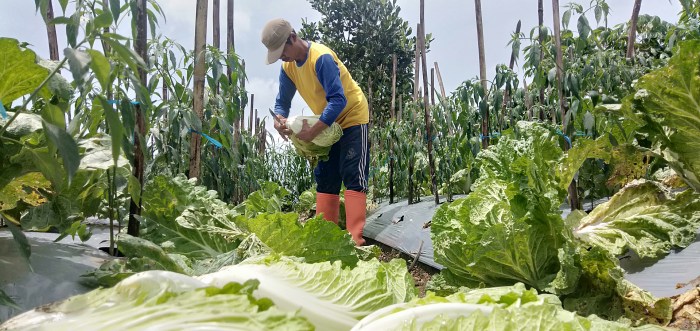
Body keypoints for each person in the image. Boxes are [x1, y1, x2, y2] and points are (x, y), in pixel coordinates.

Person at [261, 18, 369, 246]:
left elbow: (338, 100)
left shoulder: (321, 58)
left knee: (352, 173)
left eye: (282, 50)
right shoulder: (288, 67)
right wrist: (278, 118)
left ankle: (356, 242)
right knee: (326, 176)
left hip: (351, 116)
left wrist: (314, 132)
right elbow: (282, 102)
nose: (282, 56)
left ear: (292, 37)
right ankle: (326, 241)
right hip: (328, 122)